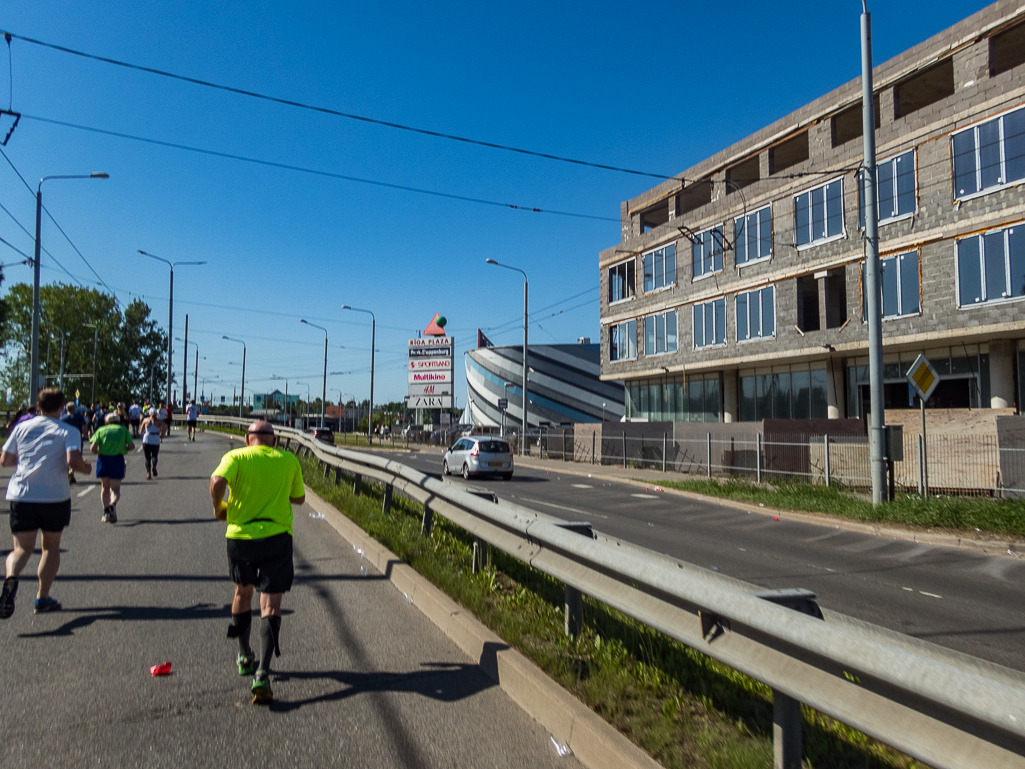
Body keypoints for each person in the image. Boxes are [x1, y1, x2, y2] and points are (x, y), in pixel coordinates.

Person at [210, 420, 304, 704]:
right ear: (273, 441)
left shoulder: (235, 457)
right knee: (271, 603)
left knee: (242, 592)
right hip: (277, 537)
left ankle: (243, 655)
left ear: (248, 439)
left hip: (241, 536)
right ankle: (262, 672)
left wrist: (219, 507)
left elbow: (217, 482)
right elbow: (298, 499)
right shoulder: (289, 460)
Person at [1, 388, 92, 617]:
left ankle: (11, 577)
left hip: (22, 493)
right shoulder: (68, 430)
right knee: (50, 547)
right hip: (54, 495)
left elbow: (6, 460)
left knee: (21, 549)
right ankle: (42, 597)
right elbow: (73, 460)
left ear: (38, 407)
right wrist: (86, 468)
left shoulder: (21, 428)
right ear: (62, 407)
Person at [89, 413, 134, 524]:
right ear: (118, 421)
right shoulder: (123, 430)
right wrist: (124, 448)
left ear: (106, 422)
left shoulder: (101, 430)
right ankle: (113, 505)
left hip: (103, 460)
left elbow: (92, 448)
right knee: (115, 489)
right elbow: (131, 446)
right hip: (117, 459)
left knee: (104, 487)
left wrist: (100, 451)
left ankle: (106, 512)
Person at [59, 402, 88, 484]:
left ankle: (67, 473)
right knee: (76, 456)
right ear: (74, 409)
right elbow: (83, 428)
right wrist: (84, 432)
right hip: (77, 438)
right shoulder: (79, 417)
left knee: (66, 456)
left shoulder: (62, 418)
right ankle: (72, 472)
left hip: (64, 439)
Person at [140, 407, 164, 480]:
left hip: (147, 439)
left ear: (149, 413)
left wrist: (144, 432)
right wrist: (162, 435)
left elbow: (141, 431)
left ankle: (148, 473)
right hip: (155, 439)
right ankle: (154, 466)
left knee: (147, 458)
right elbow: (165, 427)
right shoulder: (159, 421)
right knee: (155, 455)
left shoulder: (146, 420)